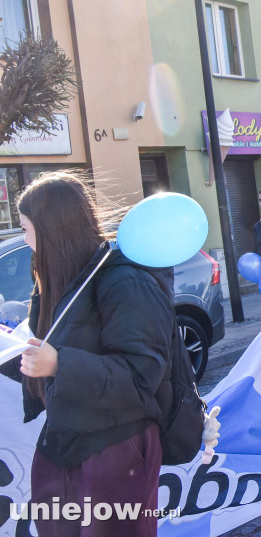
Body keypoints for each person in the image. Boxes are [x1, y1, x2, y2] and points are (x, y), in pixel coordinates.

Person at [5, 171, 174, 537]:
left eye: (26, 229)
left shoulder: (123, 279)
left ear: (53, 230)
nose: (24, 239)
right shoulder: (58, 279)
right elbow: (44, 352)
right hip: (63, 442)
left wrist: (59, 363)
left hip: (115, 447)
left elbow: (140, 376)